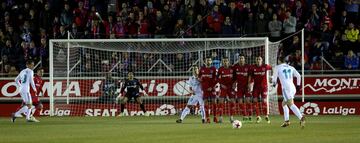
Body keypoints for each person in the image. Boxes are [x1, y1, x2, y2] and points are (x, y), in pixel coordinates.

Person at [272, 56, 305, 128]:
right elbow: (299, 76)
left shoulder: (277, 67)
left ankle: (301, 118)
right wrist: (298, 86)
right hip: (293, 88)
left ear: (279, 61)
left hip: (286, 89)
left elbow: (274, 79)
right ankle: (287, 121)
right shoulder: (291, 67)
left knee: (290, 104)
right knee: (284, 104)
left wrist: (274, 84)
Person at [250, 56, 272, 123]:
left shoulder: (265, 66)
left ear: (262, 60)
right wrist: (249, 84)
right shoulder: (252, 67)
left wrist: (272, 77)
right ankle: (258, 116)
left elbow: (271, 68)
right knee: (255, 100)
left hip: (264, 87)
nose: (258, 60)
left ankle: (266, 116)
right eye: (257, 59)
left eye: (259, 59)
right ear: (255, 60)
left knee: (264, 101)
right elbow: (250, 77)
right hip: (256, 87)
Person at [232, 54, 252, 122]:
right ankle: (244, 115)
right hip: (239, 87)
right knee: (240, 102)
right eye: (240, 58)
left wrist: (249, 84)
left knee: (248, 101)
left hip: (246, 86)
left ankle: (250, 115)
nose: (241, 59)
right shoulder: (235, 66)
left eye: (242, 58)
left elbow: (249, 76)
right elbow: (234, 76)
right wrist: (234, 83)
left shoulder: (248, 66)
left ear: (244, 59)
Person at [198, 56, 217, 123]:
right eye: (207, 60)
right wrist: (201, 82)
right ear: (205, 61)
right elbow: (199, 77)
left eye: (209, 60)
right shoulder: (202, 69)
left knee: (214, 102)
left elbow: (216, 79)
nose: (208, 61)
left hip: (212, 89)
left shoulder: (213, 68)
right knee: (205, 103)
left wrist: (212, 87)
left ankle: (215, 117)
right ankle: (208, 118)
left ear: (211, 61)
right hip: (205, 89)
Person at [217, 57, 233, 123]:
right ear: (222, 62)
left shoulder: (232, 68)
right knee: (221, 101)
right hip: (223, 88)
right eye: (224, 61)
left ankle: (231, 117)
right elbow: (217, 77)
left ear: (228, 62)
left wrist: (234, 83)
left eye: (226, 61)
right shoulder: (220, 69)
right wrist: (221, 84)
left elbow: (235, 77)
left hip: (230, 88)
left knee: (232, 101)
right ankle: (220, 117)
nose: (225, 62)